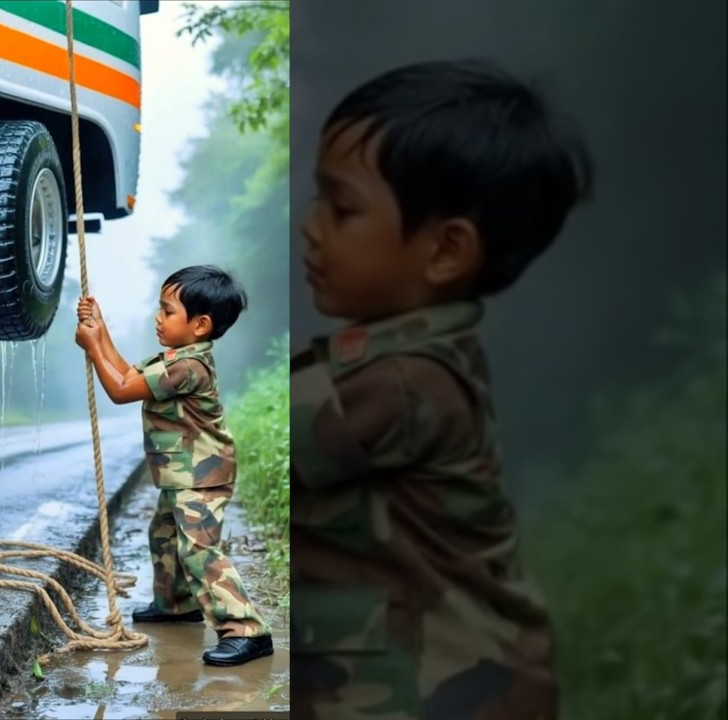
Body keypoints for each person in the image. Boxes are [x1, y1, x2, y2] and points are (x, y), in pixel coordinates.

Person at [292, 59, 594, 719]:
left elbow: (240, 444)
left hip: (445, 692)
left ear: (445, 252)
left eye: (341, 208)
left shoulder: (401, 381)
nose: (312, 226)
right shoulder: (402, 355)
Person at [73, 265, 274, 666]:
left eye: (167, 311)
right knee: (164, 533)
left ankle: (247, 630)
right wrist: (102, 329)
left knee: (198, 548)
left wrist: (92, 346)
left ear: (200, 325)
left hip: (202, 475)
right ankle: (176, 605)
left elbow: (120, 390)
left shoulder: (189, 367)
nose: (157, 318)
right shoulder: (177, 357)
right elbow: (130, 373)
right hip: (183, 473)